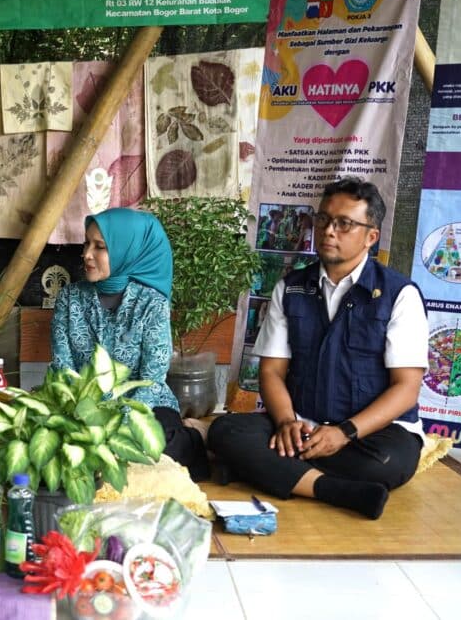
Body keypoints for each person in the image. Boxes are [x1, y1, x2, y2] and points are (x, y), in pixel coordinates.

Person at [209, 177, 428, 519]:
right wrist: (286, 422)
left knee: (388, 463)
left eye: (344, 224)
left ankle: (265, 469)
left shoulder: (400, 295)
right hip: (302, 425)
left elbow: (406, 388)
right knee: (227, 432)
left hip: (370, 434)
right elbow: (271, 371)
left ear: (371, 237)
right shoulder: (291, 288)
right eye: (323, 219)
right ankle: (332, 489)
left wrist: (344, 433)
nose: (328, 231)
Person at [51, 208, 209, 479]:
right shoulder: (69, 298)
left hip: (144, 404)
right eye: (87, 244)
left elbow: (152, 379)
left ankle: (198, 435)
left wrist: (116, 427)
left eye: (100, 247)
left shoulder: (151, 303)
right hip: (83, 407)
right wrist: (85, 417)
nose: (87, 254)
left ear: (126, 251)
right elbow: (62, 367)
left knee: (159, 446)